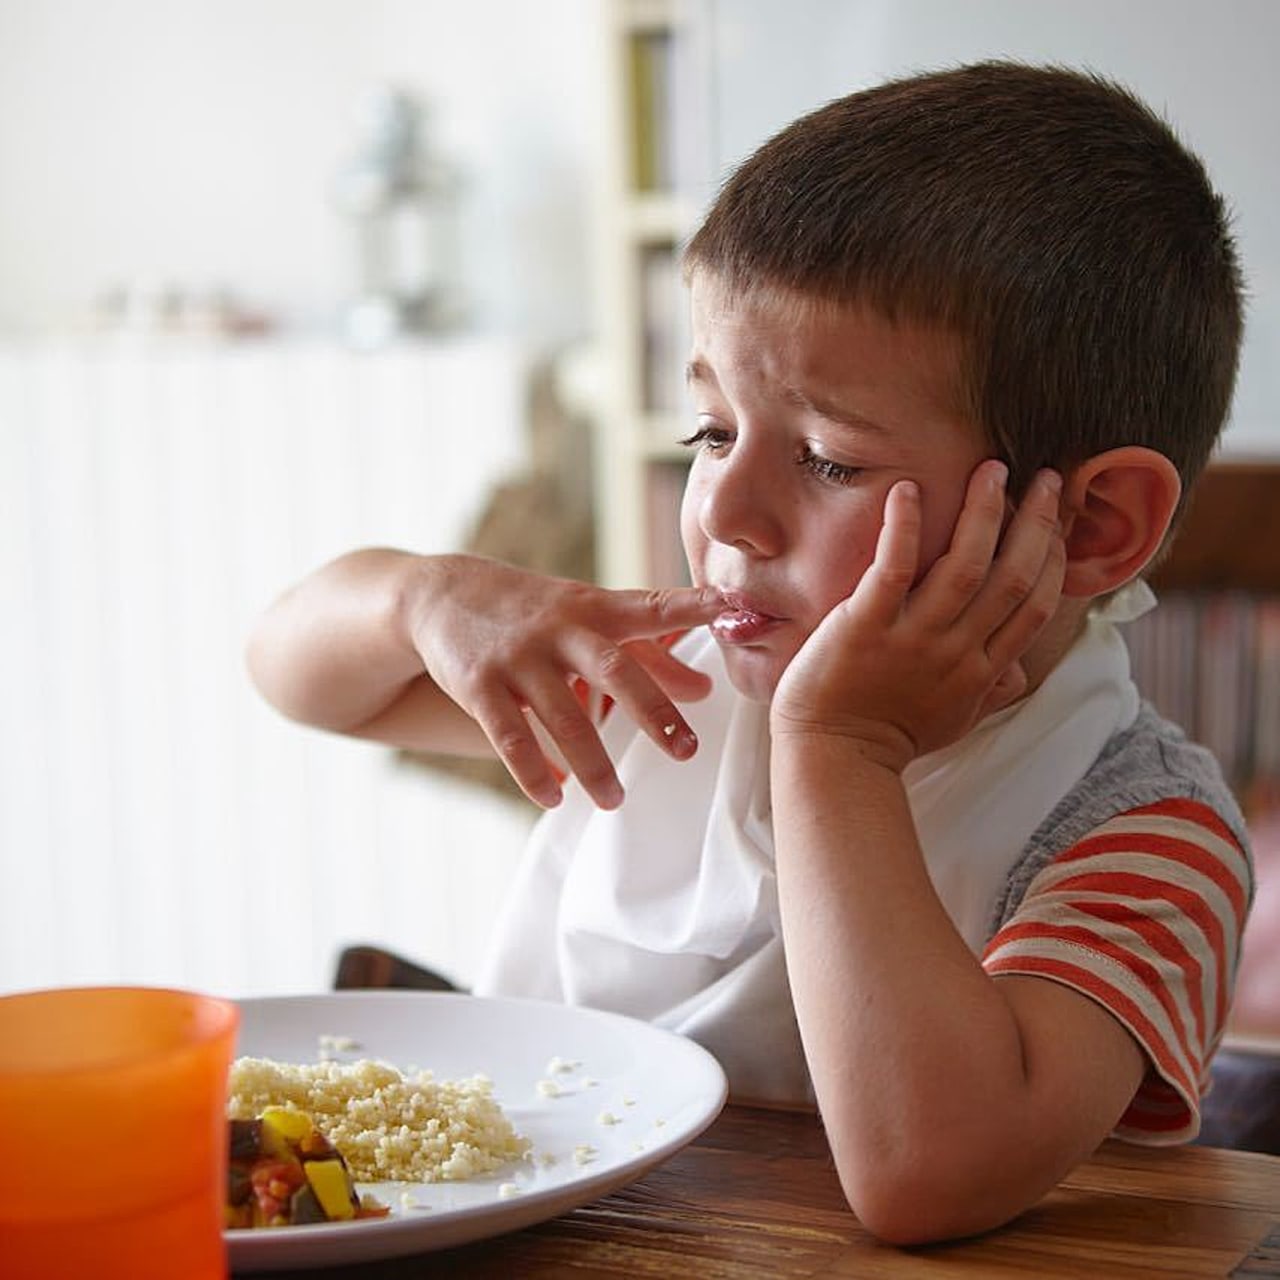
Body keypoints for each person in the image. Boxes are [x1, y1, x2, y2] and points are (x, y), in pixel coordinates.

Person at [247, 61, 1254, 1243]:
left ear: (1087, 527)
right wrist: (422, 595)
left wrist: (838, 749)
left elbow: (927, 1173)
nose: (722, 510)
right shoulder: (663, 675)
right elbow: (301, 677)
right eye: (711, 428)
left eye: (828, 458)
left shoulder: (1141, 832)